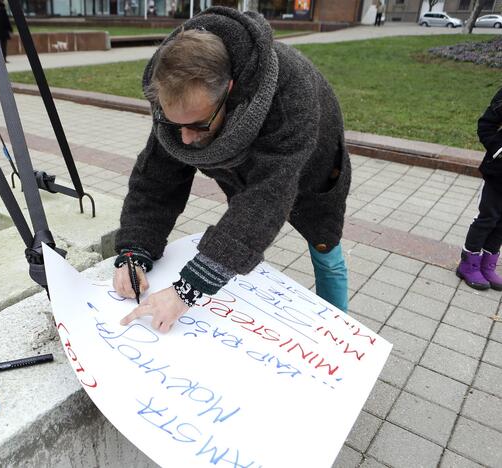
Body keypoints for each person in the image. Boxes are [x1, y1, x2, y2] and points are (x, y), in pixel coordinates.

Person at [112, 7, 351, 333]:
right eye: (173, 124)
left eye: (197, 125)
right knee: (242, 234)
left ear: (230, 90)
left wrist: (187, 289)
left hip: (315, 169)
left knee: (326, 251)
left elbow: (265, 200)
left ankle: (340, 337)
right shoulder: (182, 99)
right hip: (245, 165)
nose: (184, 138)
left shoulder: (293, 95)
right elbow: (157, 178)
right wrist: (134, 249)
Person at [457, 86, 502, 291]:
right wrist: (499, 150)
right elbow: (486, 125)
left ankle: (488, 265)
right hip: (498, 173)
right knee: (488, 218)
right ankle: (469, 263)